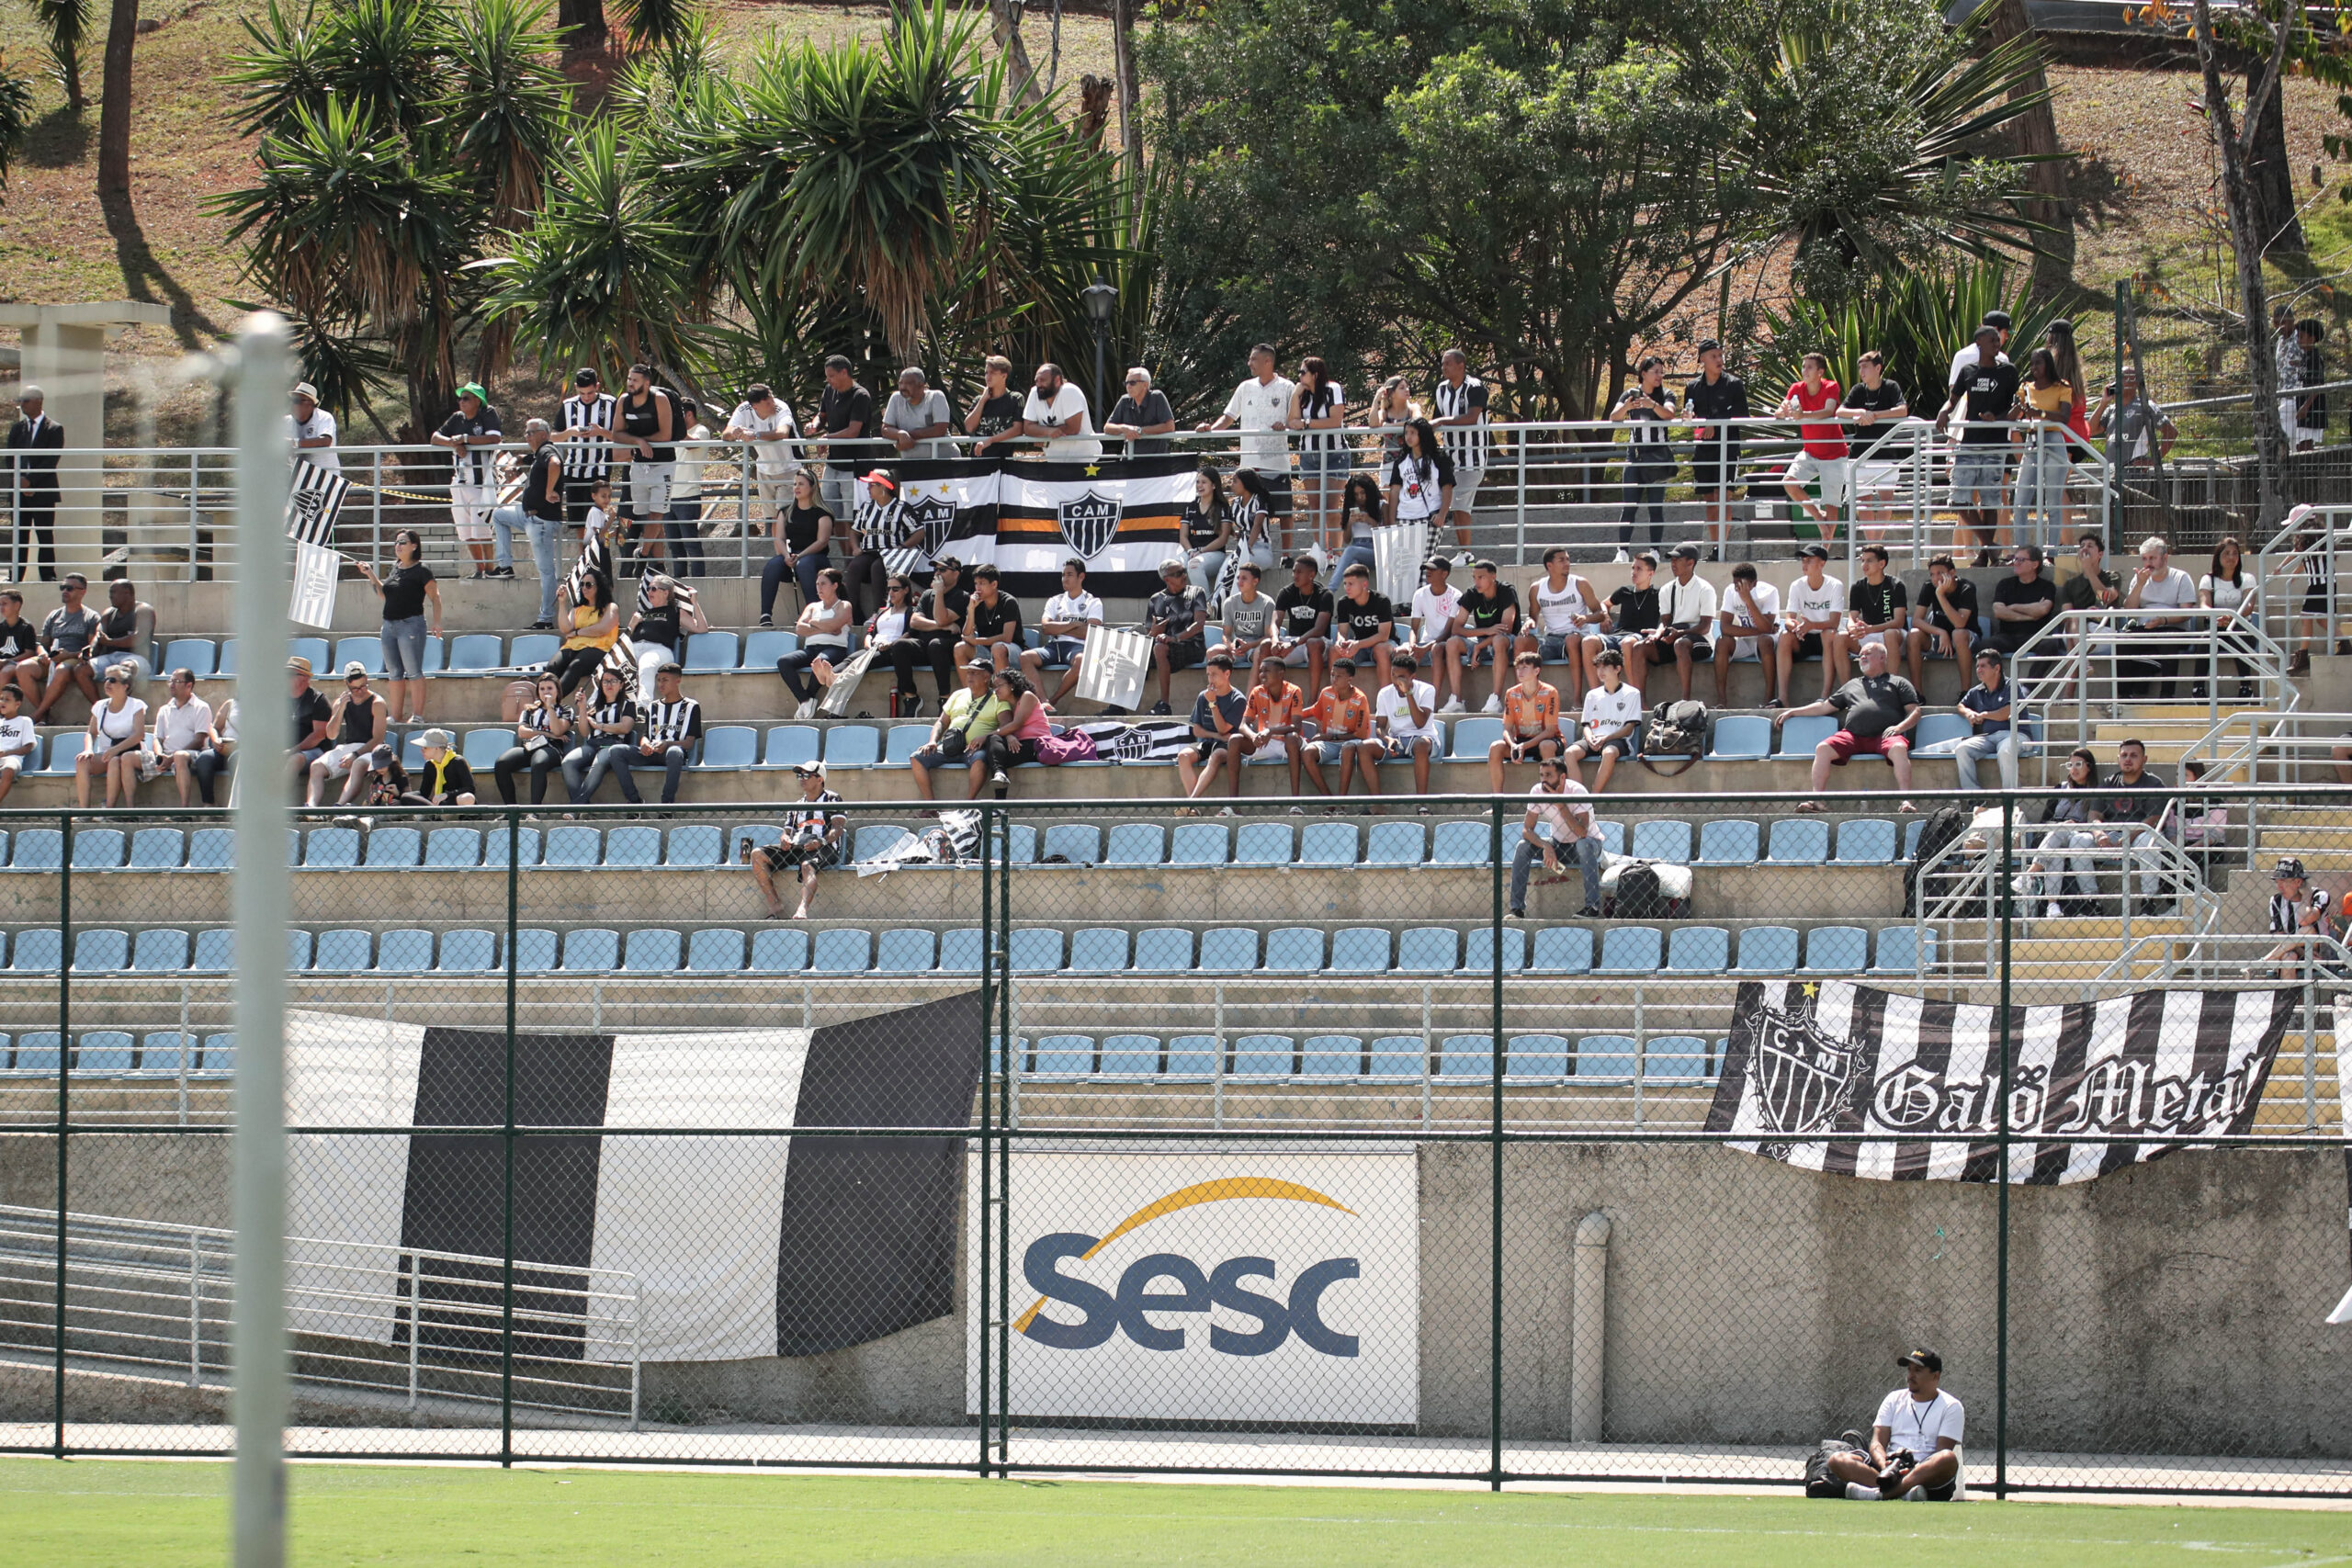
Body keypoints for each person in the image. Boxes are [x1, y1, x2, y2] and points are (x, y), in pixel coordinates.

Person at [1772, 638, 1921, 812]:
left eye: (1867, 654)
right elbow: (1825, 706)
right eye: (1860, 655)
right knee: (1823, 748)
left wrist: (1899, 728)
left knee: (1898, 748)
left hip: (1886, 735)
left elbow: (1915, 711)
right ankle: (1816, 800)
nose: (1862, 657)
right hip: (1853, 736)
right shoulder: (1852, 684)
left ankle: (1905, 801)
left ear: (1882, 657)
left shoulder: (1899, 682)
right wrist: (1793, 711)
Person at [1823, 1349, 1963, 1503]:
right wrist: (1886, 1466)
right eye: (1909, 1369)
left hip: (1924, 1474)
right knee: (1838, 1459)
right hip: (1889, 1468)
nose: (1910, 1375)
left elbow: (1941, 1452)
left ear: (1935, 1376)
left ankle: (1881, 1494)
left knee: (1947, 1458)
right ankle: (1904, 1493)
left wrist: (1911, 1471)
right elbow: (1877, 1442)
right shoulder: (1893, 1399)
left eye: (1918, 1370)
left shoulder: (1951, 1406)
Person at [1198, 344, 1297, 547]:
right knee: (1249, 510)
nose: (1249, 363)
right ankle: (1248, 549)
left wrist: (1285, 425)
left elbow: (1295, 419)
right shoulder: (1245, 387)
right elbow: (1229, 416)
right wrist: (1211, 429)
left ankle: (1286, 556)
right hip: (1249, 465)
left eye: (1253, 359)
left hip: (1277, 463)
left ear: (1268, 361)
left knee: (1283, 511)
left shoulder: (1288, 387)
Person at [1939, 325, 2020, 564]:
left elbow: (2017, 407)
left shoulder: (2008, 371)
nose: (1997, 344)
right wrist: (1944, 411)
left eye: (1998, 340)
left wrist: (1999, 419)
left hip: (1995, 444)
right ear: (1979, 344)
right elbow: (1953, 399)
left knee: (1991, 500)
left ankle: (1986, 553)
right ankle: (1991, 546)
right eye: (1992, 340)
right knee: (1959, 499)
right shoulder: (1968, 371)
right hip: (1969, 442)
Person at [489, 419, 568, 628]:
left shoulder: (547, 449)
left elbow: (555, 464)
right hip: (527, 516)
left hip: (541, 521)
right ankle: (505, 565)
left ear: (543, 434)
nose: (526, 436)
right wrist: (514, 462)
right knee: (498, 515)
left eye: (530, 433)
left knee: (546, 571)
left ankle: (545, 618)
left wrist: (550, 490)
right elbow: (524, 457)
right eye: (526, 433)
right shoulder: (539, 453)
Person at [357, 530, 442, 725]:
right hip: (389, 625)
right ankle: (396, 715)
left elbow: (435, 597)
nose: (398, 546)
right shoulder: (394, 568)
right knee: (394, 672)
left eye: (403, 542)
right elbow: (384, 596)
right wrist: (370, 574)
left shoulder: (422, 571)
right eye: (396, 542)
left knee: (413, 671)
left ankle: (418, 715)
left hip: (411, 624)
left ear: (414, 546)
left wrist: (437, 622)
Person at [1507, 753, 1602, 919]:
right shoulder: (1537, 791)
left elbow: (1582, 833)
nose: (1544, 780)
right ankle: (1517, 910)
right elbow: (1526, 829)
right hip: (1559, 845)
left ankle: (1592, 907)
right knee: (1523, 846)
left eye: (1549, 775)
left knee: (1583, 844)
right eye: (1541, 775)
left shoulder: (1577, 791)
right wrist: (1546, 846)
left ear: (1562, 777)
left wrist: (1560, 805)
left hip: (1589, 845)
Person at [750, 761, 847, 920]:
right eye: (800, 775)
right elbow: (787, 830)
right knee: (756, 854)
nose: (802, 779)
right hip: (798, 846)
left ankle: (802, 909)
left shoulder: (832, 799)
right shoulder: (797, 805)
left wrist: (821, 842)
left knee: (807, 865)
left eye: (807, 775)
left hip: (824, 847)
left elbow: (838, 829)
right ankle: (774, 904)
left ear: (820, 779)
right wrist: (785, 838)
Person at [1681, 339, 1747, 558]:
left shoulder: (1734, 384)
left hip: (1728, 448)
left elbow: (1742, 416)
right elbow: (1690, 417)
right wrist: (1689, 418)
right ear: (1702, 359)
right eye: (1713, 356)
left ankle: (1722, 547)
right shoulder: (1692, 387)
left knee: (1723, 497)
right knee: (1710, 500)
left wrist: (1715, 421)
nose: (1719, 360)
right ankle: (1714, 547)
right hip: (1704, 449)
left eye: (1720, 355)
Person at [2021, 747, 2107, 914]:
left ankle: (2030, 877)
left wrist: (2074, 824)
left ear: (2089, 767)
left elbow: (2098, 820)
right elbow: (2044, 820)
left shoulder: (2098, 791)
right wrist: (2059, 824)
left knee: (2064, 834)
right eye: (2070, 765)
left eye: (2078, 764)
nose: (2073, 769)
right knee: (2057, 847)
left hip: (2080, 835)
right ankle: (2052, 904)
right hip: (2051, 835)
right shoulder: (2060, 788)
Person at [433, 383, 505, 578]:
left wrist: (465, 438)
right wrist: (452, 443)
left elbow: (494, 438)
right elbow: (435, 437)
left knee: (482, 529)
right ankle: (479, 569)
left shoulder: (487, 413)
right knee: (466, 531)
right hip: (459, 482)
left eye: (466, 398)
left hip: (482, 483)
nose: (461, 402)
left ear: (477, 401)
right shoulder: (457, 417)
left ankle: (490, 569)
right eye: (460, 398)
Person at [909, 660, 1006, 802]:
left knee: (980, 760)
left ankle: (968, 804)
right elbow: (941, 722)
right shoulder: (958, 694)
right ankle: (930, 806)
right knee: (917, 757)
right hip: (950, 746)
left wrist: (985, 737)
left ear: (986, 677)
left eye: (974, 673)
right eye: (968, 673)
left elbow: (1006, 725)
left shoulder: (998, 698)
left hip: (974, 749)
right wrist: (932, 741)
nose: (969, 677)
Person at [1778, 351, 1849, 544]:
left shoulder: (1830, 386)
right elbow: (1782, 408)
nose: (1804, 371)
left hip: (1834, 454)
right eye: (1803, 367)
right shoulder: (1796, 388)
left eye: (1809, 367)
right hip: (1810, 452)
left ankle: (1825, 548)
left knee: (1832, 504)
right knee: (1789, 482)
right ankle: (1817, 516)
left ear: (1820, 372)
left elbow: (1828, 411)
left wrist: (1804, 415)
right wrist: (1782, 412)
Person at [2009, 346, 2074, 553]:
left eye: (2039, 362)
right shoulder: (2025, 388)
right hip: (2032, 440)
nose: (2034, 367)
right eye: (2032, 363)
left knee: (2052, 502)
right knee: (2020, 501)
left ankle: (2051, 552)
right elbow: (2012, 417)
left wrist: (2040, 413)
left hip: (2054, 439)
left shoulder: (2062, 387)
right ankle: (2021, 550)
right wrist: (2018, 407)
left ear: (2048, 364)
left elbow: (2064, 417)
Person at [1611, 355, 1678, 555]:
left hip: (1658, 456)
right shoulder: (1630, 394)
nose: (1659, 376)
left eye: (1661, 372)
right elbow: (1614, 417)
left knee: (1655, 507)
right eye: (1655, 371)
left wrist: (1652, 405)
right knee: (1630, 505)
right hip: (1635, 456)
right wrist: (1627, 407)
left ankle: (1655, 551)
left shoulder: (1666, 394)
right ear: (1643, 374)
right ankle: (1622, 551)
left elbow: (1670, 414)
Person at [1521, 547, 1606, 702]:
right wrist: (1528, 622)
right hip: (1551, 638)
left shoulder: (1579, 583)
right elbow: (1532, 617)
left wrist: (1585, 618)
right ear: (1549, 565)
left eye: (1567, 559)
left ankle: (1577, 699)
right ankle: (1524, 696)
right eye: (1562, 560)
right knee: (1521, 641)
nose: (1567, 563)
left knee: (1571, 640)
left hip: (1577, 637)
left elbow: (1600, 614)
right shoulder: (1536, 588)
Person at [2120, 535, 2198, 699]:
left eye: (2153, 558)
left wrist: (2163, 620)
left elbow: (2187, 613)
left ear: (2165, 557)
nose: (2148, 563)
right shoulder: (2139, 578)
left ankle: (2166, 697)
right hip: (2144, 628)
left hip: (2173, 627)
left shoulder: (2181, 577)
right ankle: (2123, 695)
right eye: (2145, 559)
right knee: (2122, 642)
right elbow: (2129, 610)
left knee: (2167, 639)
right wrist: (2140, 584)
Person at [1842, 351, 1910, 536]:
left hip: (1885, 454)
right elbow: (1841, 412)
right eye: (1860, 367)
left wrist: (1875, 416)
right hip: (1861, 454)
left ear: (1878, 368)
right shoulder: (1857, 390)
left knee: (1886, 500)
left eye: (1865, 367)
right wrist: (1861, 412)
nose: (1861, 371)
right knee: (1864, 502)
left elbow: (1902, 410)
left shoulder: (1891, 387)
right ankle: (1871, 545)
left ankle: (1876, 544)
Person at [2103, 736, 2176, 907]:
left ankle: (2148, 900)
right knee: (2079, 840)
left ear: (2144, 759)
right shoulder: (2108, 782)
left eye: (2134, 756)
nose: (2128, 759)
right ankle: (2088, 900)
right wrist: (2099, 834)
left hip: (2141, 834)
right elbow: (2094, 815)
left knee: (2147, 842)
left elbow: (2154, 819)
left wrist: (2130, 836)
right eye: (2124, 755)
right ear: (2118, 759)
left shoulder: (2153, 783)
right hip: (2112, 835)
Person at [1018, 558, 1102, 706]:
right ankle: (1043, 702)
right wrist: (1073, 624)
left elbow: (1090, 633)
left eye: (1069, 574)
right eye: (1063, 575)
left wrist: (1059, 627)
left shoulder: (1093, 601)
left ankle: (1053, 700)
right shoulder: (1055, 600)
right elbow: (1046, 628)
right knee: (1025, 657)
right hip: (1054, 646)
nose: (1064, 578)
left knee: (1083, 660)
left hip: (1077, 648)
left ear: (1081, 576)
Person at [721, 381, 803, 532]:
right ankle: (780, 553)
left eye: (772, 399)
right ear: (755, 406)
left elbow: (782, 433)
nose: (772, 404)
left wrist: (756, 435)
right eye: (767, 402)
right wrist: (735, 433)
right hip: (765, 471)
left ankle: (790, 552)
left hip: (789, 468)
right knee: (773, 519)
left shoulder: (781, 407)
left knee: (784, 517)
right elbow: (726, 433)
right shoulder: (743, 409)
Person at [759, 467, 834, 628]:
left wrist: (800, 556)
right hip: (792, 557)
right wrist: (787, 556)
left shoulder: (822, 513)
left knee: (804, 563)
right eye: (795, 484)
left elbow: (822, 541)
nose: (796, 488)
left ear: (812, 487)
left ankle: (814, 613)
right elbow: (779, 538)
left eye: (801, 484)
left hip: (816, 560)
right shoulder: (785, 512)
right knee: (773, 564)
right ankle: (765, 614)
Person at [1174, 653, 1254, 804]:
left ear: (1227, 673)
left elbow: (1224, 729)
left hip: (1228, 745)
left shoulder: (1237, 699)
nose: (1210, 679)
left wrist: (1213, 704)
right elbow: (1196, 730)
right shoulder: (1203, 696)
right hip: (1210, 741)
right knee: (1183, 756)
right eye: (1208, 675)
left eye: (1214, 675)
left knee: (1216, 756)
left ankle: (1190, 803)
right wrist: (1216, 736)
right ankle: (1193, 806)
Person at [1431, 348, 1488, 558]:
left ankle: (1466, 553)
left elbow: (1472, 417)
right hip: (1450, 458)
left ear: (1461, 365)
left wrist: (1441, 421)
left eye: (1448, 364)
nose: (1443, 368)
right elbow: (1436, 421)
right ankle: (1464, 553)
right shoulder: (1441, 389)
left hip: (1472, 457)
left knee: (1459, 504)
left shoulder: (1475, 387)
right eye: (1443, 364)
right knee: (1456, 504)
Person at [306, 662, 389, 807]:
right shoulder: (341, 702)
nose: (360, 691)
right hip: (349, 747)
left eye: (363, 686)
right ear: (347, 684)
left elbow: (377, 739)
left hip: (371, 749)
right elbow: (331, 735)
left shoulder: (377, 703)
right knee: (316, 766)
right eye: (355, 688)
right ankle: (310, 807)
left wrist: (355, 754)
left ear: (367, 679)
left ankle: (339, 806)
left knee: (358, 764)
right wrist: (340, 709)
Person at [776, 566, 855, 716]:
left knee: (819, 661)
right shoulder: (812, 606)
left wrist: (813, 622)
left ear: (835, 586)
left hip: (835, 649)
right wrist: (827, 627)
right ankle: (805, 700)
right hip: (811, 648)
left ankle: (810, 696)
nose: (819, 588)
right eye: (817, 584)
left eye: (823, 584)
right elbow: (799, 628)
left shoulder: (844, 605)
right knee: (783, 661)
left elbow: (835, 625)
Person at [619, 661, 702, 804]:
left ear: (678, 680)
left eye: (665, 680)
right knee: (616, 751)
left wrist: (667, 743)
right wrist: (644, 744)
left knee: (675, 752)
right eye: (658, 680)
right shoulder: (653, 706)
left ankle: (666, 805)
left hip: (671, 753)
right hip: (650, 753)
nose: (660, 684)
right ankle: (634, 801)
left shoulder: (691, 706)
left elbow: (689, 743)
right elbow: (646, 734)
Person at [5, 385, 64, 582]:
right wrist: (19, 482)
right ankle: (16, 576)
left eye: (25, 400)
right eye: (20, 401)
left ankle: (48, 576)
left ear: (38, 401)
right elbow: (10, 459)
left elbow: (51, 460)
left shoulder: (54, 429)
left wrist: (30, 482)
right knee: (19, 537)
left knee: (44, 535)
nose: (22, 405)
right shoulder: (17, 429)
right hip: (19, 491)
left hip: (43, 491)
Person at [1775, 543, 1847, 706]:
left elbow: (1834, 622)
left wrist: (1811, 624)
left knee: (1828, 633)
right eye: (1803, 560)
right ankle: (1783, 698)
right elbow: (1788, 618)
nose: (1804, 564)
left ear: (1822, 563)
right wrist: (1795, 626)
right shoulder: (1797, 585)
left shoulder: (1835, 585)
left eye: (1809, 560)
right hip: (1805, 636)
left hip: (1828, 638)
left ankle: (1825, 696)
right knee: (1785, 636)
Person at [1290, 356, 1349, 554]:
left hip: (1334, 453)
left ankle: (1337, 552)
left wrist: (1307, 424)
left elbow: (1335, 420)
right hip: (1309, 455)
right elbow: (1292, 421)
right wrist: (1295, 396)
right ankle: (1321, 551)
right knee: (1315, 508)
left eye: (1303, 372)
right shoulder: (1302, 394)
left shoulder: (1333, 389)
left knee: (1331, 506)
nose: (1299, 376)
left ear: (1315, 374)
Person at [1588, 548, 1663, 700]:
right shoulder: (1624, 591)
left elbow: (1666, 618)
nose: (1634, 572)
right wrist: (1605, 616)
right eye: (1633, 568)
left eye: (1639, 569)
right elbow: (1605, 603)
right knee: (1588, 641)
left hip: (1639, 638)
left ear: (1651, 573)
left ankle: (1635, 698)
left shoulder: (1659, 594)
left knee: (1628, 642)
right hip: (1617, 635)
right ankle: (1597, 698)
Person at [1563, 646, 1639, 795]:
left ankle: (1593, 797)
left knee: (1609, 753)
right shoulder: (1592, 695)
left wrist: (1606, 738)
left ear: (1618, 669)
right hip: (1594, 739)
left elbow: (1629, 728)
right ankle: (1580, 797)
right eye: (1598, 668)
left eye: (1605, 667)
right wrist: (1590, 738)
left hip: (1618, 739)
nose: (1600, 672)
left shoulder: (1632, 693)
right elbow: (1586, 725)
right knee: (1570, 753)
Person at [1449, 558, 1521, 713]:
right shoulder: (1472, 593)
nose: (1477, 582)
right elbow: (1456, 628)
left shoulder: (1506, 591)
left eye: (1480, 577)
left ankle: (1495, 699)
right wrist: (1485, 632)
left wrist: (1479, 646)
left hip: (1507, 642)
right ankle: (1456, 700)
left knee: (1499, 640)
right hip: (1483, 639)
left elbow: (1506, 629)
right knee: (1452, 643)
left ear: (1493, 576)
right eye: (1474, 577)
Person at [1301, 657, 1377, 800]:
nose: (1334, 679)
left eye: (1339, 676)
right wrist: (1294, 715)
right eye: (1332, 675)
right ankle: (1328, 799)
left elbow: (1360, 735)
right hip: (1329, 743)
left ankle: (1341, 802)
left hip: (1350, 742)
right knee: (1307, 752)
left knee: (1347, 749)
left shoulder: (1360, 699)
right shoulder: (1326, 693)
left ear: (1350, 678)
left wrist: (1331, 737)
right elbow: (1313, 710)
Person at [29, 572, 103, 724]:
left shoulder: (91, 617)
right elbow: (42, 644)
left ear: (82, 591)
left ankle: (38, 714)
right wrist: (43, 654)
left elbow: (91, 649)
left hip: (74, 659)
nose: (65, 591)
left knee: (62, 669)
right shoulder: (54, 615)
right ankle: (44, 714)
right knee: (23, 669)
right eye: (62, 587)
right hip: (51, 658)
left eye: (69, 588)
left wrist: (68, 655)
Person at [1487, 649, 1563, 792]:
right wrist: (1514, 745)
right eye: (1518, 668)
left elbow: (1550, 731)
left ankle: (1552, 798)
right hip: (1522, 741)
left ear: (1536, 671)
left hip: (1547, 740)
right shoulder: (1511, 693)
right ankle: (1498, 801)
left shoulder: (1550, 691)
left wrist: (1524, 746)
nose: (1520, 672)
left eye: (1525, 667)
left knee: (1546, 745)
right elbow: (1507, 729)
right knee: (1496, 747)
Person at [493, 672, 574, 807]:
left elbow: (558, 730)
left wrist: (550, 708)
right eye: (542, 689)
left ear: (557, 690)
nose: (546, 692)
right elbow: (522, 732)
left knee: (538, 762)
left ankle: (534, 810)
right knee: (502, 763)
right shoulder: (529, 710)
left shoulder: (566, 710)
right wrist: (547, 734)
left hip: (551, 749)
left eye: (550, 688)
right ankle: (511, 809)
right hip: (530, 746)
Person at [1143, 558, 1211, 716]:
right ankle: (1118, 704)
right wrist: (1155, 631)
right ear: (1167, 579)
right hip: (1166, 648)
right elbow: (1149, 634)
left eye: (1184, 571)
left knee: (1159, 648)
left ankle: (1164, 704)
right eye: (1179, 573)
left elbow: (1199, 624)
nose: (1184, 575)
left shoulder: (1196, 592)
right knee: (1130, 649)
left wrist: (1175, 638)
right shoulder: (1156, 600)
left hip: (1192, 646)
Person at [75, 662, 148, 808]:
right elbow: (91, 732)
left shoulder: (136, 705)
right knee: (82, 761)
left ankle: (109, 810)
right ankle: (84, 812)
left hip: (129, 754)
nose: (107, 683)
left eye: (113, 680)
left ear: (125, 685)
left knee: (115, 761)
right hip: (107, 754)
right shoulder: (100, 706)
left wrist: (115, 750)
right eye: (106, 679)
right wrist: (88, 749)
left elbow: (139, 735)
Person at [904, 555, 972, 713]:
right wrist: (942, 627)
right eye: (935, 569)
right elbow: (914, 622)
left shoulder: (962, 596)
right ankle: (911, 698)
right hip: (925, 646)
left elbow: (942, 618)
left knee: (936, 644)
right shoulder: (928, 594)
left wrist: (939, 592)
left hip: (946, 648)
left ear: (956, 573)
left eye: (942, 569)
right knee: (901, 646)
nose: (937, 573)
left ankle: (945, 698)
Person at [1367, 652, 1440, 799]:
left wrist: (1409, 693)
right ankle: (1377, 804)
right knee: (1364, 747)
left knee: (1420, 745)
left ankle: (1422, 803)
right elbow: (1380, 726)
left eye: (1401, 677)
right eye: (1393, 675)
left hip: (1423, 738)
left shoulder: (1427, 690)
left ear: (1412, 677)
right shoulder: (1384, 693)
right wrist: (1388, 739)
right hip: (1397, 740)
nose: (1396, 680)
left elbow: (1420, 723)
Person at [565, 665, 640, 805]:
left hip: (612, 745)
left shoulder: (628, 704)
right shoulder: (594, 705)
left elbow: (625, 728)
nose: (609, 684)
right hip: (592, 744)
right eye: (605, 681)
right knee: (568, 762)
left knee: (598, 763)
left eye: (613, 681)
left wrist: (599, 726)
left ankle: (576, 807)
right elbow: (585, 732)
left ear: (621, 684)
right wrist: (582, 708)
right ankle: (584, 806)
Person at [141, 665, 215, 808]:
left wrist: (173, 757)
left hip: (191, 755)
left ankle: (184, 810)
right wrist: (160, 755)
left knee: (180, 756)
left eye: (176, 681)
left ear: (189, 685)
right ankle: (127, 812)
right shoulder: (164, 709)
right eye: (171, 681)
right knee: (127, 758)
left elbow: (200, 740)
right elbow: (157, 738)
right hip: (165, 755)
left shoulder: (201, 707)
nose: (172, 685)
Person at [971, 668, 1050, 799]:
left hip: (1036, 744)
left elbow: (1016, 724)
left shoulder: (1027, 696)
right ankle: (999, 776)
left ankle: (999, 800)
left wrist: (985, 736)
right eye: (994, 687)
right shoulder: (1007, 705)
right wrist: (1009, 736)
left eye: (999, 686)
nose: (996, 690)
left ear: (1012, 686)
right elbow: (1006, 728)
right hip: (1019, 745)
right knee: (994, 750)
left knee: (993, 751)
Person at [1653, 543, 1717, 704]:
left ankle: (1685, 700)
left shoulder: (1705, 589)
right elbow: (1666, 622)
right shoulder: (1667, 589)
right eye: (1672, 560)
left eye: (1677, 559)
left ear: (1690, 563)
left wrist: (1679, 634)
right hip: (1675, 636)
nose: (1673, 564)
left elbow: (1705, 627)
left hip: (1701, 640)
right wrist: (1658, 633)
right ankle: (1640, 702)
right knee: (1639, 648)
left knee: (1680, 644)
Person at [1905, 553, 1977, 694]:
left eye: (1940, 573)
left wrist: (1940, 595)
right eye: (1932, 574)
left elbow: (1960, 623)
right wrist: (1940, 632)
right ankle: (1917, 694)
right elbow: (1916, 620)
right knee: (1913, 634)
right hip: (1940, 639)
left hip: (1966, 639)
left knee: (1958, 634)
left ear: (1952, 572)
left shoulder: (1967, 588)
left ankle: (1966, 693)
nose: (1935, 578)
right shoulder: (1928, 586)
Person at [815, 355, 876, 518]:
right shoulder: (829, 390)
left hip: (854, 465)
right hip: (833, 462)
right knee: (830, 512)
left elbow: (853, 431)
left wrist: (827, 438)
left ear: (844, 372)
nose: (828, 380)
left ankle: (854, 544)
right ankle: (840, 544)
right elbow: (821, 416)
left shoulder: (860, 396)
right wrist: (813, 426)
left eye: (831, 376)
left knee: (852, 515)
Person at [836, 466, 899, 622]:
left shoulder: (901, 508)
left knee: (877, 567)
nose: (868, 488)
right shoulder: (866, 507)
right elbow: (854, 531)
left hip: (889, 553)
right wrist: (856, 547)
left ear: (883, 487)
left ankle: (877, 612)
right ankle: (850, 612)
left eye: (872, 485)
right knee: (854, 566)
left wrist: (903, 546)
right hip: (868, 551)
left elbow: (918, 532)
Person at [2199, 535, 2258, 700]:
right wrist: (2216, 617)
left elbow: (2248, 606)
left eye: (2235, 553)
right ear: (2218, 557)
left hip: (2241, 625)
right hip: (2215, 626)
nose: (2231, 557)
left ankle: (2246, 688)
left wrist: (2232, 619)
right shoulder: (2208, 579)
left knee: (2237, 635)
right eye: (2226, 553)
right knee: (2205, 639)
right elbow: (2204, 604)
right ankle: (2198, 689)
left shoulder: (2247, 578)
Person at [627, 572, 707, 694]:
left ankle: (642, 706)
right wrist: (632, 625)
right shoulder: (643, 613)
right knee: (613, 667)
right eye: (648, 589)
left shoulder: (676, 612)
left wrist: (695, 603)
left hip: (659, 649)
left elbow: (702, 628)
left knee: (646, 666)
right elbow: (626, 639)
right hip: (635, 647)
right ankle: (594, 705)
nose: (649, 592)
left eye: (653, 589)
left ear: (666, 593)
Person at [1950, 649, 2018, 793]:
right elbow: (1960, 706)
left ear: (1997, 668)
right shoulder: (1977, 690)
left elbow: (2007, 713)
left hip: (2014, 734)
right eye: (1977, 666)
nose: (1978, 670)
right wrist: (1969, 714)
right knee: (1962, 749)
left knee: (2005, 751)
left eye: (1983, 666)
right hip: (1988, 738)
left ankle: (2010, 798)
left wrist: (1984, 715)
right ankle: (1974, 796)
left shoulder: (2011, 685)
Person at [556, 367, 617, 525]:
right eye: (582, 393)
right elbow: (552, 436)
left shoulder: (610, 403)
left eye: (590, 393)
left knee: (597, 519)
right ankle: (582, 550)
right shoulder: (568, 405)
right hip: (573, 469)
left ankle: (597, 549)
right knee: (577, 522)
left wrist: (601, 432)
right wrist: (570, 432)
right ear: (576, 387)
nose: (586, 397)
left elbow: (623, 435)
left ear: (597, 386)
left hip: (600, 469)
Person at [1714, 561, 1781, 707]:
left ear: (1753, 584)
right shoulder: (1730, 591)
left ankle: (1769, 700)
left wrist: (1748, 600)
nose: (1737, 589)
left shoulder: (1770, 592)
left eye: (1741, 585)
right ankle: (1721, 701)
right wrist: (1762, 630)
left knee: (1764, 640)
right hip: (1746, 639)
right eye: (1735, 584)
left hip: (1767, 641)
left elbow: (1767, 630)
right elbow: (1725, 628)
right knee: (1722, 642)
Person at [2091, 367, 2177, 479]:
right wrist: (2103, 403)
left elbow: (2171, 432)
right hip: (2111, 472)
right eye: (2117, 378)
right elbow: (2091, 430)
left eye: (2123, 377)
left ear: (2135, 383)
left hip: (2133, 473)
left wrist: (2154, 460)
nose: (2118, 382)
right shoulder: (2111, 409)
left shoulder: (2145, 406)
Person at [548, 567, 619, 699]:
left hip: (599, 648)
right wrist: (562, 603)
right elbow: (565, 628)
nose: (584, 588)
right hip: (573, 647)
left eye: (589, 585)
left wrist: (577, 632)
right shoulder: (577, 609)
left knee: (576, 665)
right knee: (552, 666)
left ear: (599, 587)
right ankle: (545, 700)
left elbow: (601, 629)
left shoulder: (610, 607)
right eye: (582, 584)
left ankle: (552, 701)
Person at [1386, 417, 1455, 553]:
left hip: (1429, 518)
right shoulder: (1401, 461)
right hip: (1404, 517)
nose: (1408, 437)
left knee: (1425, 563)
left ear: (1422, 434)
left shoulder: (1439, 458)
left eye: (1413, 433)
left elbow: (1447, 487)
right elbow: (1394, 491)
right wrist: (1392, 520)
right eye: (1406, 433)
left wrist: (1442, 514)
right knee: (1406, 562)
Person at [1269, 554, 1334, 696]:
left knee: (1313, 643)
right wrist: (1275, 640)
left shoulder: (1324, 595)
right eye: (1293, 571)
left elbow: (1319, 629)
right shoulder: (1286, 592)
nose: (1294, 575)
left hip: (1319, 643)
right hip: (1294, 643)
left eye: (1299, 572)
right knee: (1265, 646)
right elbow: (1274, 622)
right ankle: (1267, 699)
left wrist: (1293, 644)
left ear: (1311, 575)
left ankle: (1313, 700)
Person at [1243, 657, 1310, 795]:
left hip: (1287, 744)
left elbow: (1296, 726)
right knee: (1234, 740)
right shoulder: (1256, 692)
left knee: (1292, 737)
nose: (1262, 674)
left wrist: (1271, 731)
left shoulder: (1294, 691)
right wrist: (1253, 735)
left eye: (1267, 671)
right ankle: (1233, 806)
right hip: (1266, 743)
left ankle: (1295, 802)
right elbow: (1243, 724)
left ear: (1281, 673)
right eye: (1261, 671)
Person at [2260, 857, 2334, 979]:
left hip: (2319, 954)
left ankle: (2261, 963)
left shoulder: (2318, 896)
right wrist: (2300, 951)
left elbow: (2304, 920)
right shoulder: (2276, 901)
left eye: (2283, 881)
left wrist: (2305, 894)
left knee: (2307, 930)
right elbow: (2280, 935)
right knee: (2288, 957)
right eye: (2277, 882)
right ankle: (2288, 997)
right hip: (2291, 952)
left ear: (2298, 882)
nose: (2279, 887)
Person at [1329, 561, 1396, 692]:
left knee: (1380, 650)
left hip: (1384, 643)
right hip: (1359, 644)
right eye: (1345, 584)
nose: (1346, 588)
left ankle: (1385, 700)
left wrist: (1358, 644)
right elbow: (1342, 631)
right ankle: (1334, 696)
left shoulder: (1381, 601)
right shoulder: (1343, 603)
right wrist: (1340, 641)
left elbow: (1383, 635)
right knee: (1334, 650)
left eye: (1351, 584)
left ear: (1364, 584)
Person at [1407, 555, 1464, 705]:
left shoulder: (1456, 595)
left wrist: (1425, 648)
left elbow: (1448, 632)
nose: (1427, 572)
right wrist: (1413, 645)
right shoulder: (1419, 594)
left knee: (1436, 649)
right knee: (1402, 653)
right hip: (1426, 643)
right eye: (1426, 569)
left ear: (1445, 574)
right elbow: (1414, 628)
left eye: (1432, 569)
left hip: (1446, 642)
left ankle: (1433, 703)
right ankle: (1403, 700)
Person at [665, 393, 710, 578]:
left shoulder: (701, 430)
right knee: (675, 547)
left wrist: (675, 425)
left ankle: (699, 582)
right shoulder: (672, 434)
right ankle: (677, 585)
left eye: (677, 414)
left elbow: (691, 445)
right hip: (668, 497)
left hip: (688, 496)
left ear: (688, 414)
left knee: (691, 544)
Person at [1018, 361, 1102, 459]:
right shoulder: (1034, 393)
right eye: (1037, 381)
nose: (1039, 384)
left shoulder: (1069, 391)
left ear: (1057, 380)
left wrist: (1040, 432)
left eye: (1043, 380)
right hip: (1055, 459)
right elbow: (1028, 428)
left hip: (1085, 458)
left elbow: (1072, 429)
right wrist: (1048, 432)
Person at [957, 562, 1024, 674]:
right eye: (976, 583)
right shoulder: (976, 603)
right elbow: (967, 634)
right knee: (960, 648)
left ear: (994, 584)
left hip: (1011, 650)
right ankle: (970, 691)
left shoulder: (1009, 602)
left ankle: (1000, 690)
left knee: (997, 648)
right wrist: (971, 609)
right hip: (987, 649)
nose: (977, 588)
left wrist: (977, 641)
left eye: (982, 583)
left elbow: (1007, 638)